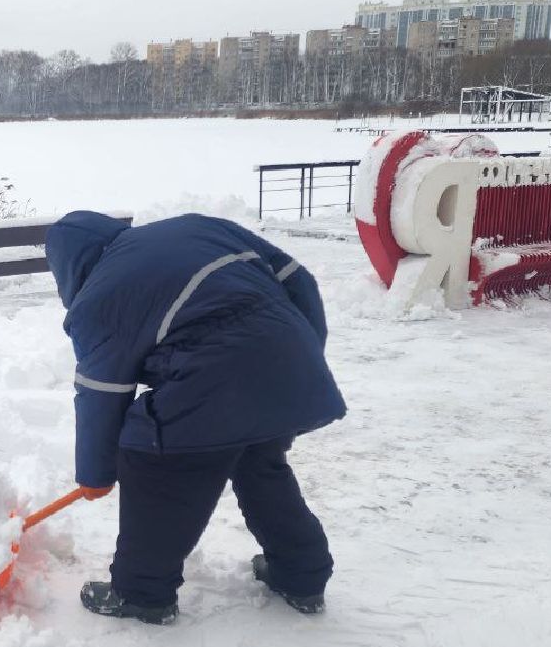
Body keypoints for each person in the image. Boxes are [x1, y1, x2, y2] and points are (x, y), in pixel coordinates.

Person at [44, 211, 346, 625]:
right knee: (258, 463)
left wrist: (96, 474)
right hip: (291, 360)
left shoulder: (99, 297)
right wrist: (298, 362)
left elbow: (102, 392)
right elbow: (299, 279)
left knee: (154, 460)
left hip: (214, 376)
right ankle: (302, 576)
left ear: (68, 267)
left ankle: (142, 593)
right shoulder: (200, 228)